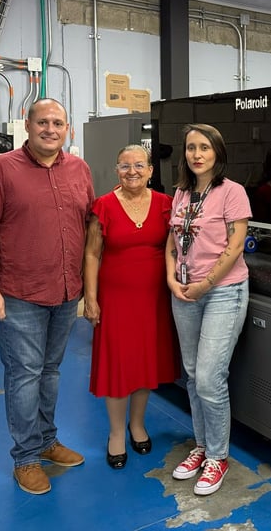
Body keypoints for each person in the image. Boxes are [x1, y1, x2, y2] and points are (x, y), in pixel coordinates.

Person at [0, 98, 94, 495]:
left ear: (67, 129)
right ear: (27, 125)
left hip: (65, 292)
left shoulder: (79, 169)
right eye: (43, 122)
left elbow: (89, 227)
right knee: (24, 374)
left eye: (58, 123)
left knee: (50, 372)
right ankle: (25, 458)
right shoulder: (0, 169)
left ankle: (46, 441)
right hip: (19, 294)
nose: (50, 129)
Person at [165, 123, 252, 496]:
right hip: (184, 291)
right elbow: (172, 241)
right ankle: (200, 446)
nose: (196, 154)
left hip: (222, 292)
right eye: (190, 148)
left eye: (204, 147)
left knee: (208, 378)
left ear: (217, 152)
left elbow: (235, 246)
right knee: (190, 374)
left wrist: (205, 284)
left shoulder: (232, 192)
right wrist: (171, 278)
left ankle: (218, 456)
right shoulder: (182, 193)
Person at [83, 144, 179, 470]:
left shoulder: (166, 205)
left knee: (144, 364)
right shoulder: (104, 206)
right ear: (116, 171)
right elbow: (92, 253)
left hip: (153, 299)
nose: (132, 171)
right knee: (118, 365)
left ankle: (137, 425)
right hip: (115, 300)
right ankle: (115, 433)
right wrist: (91, 298)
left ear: (151, 170)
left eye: (139, 165)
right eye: (125, 166)